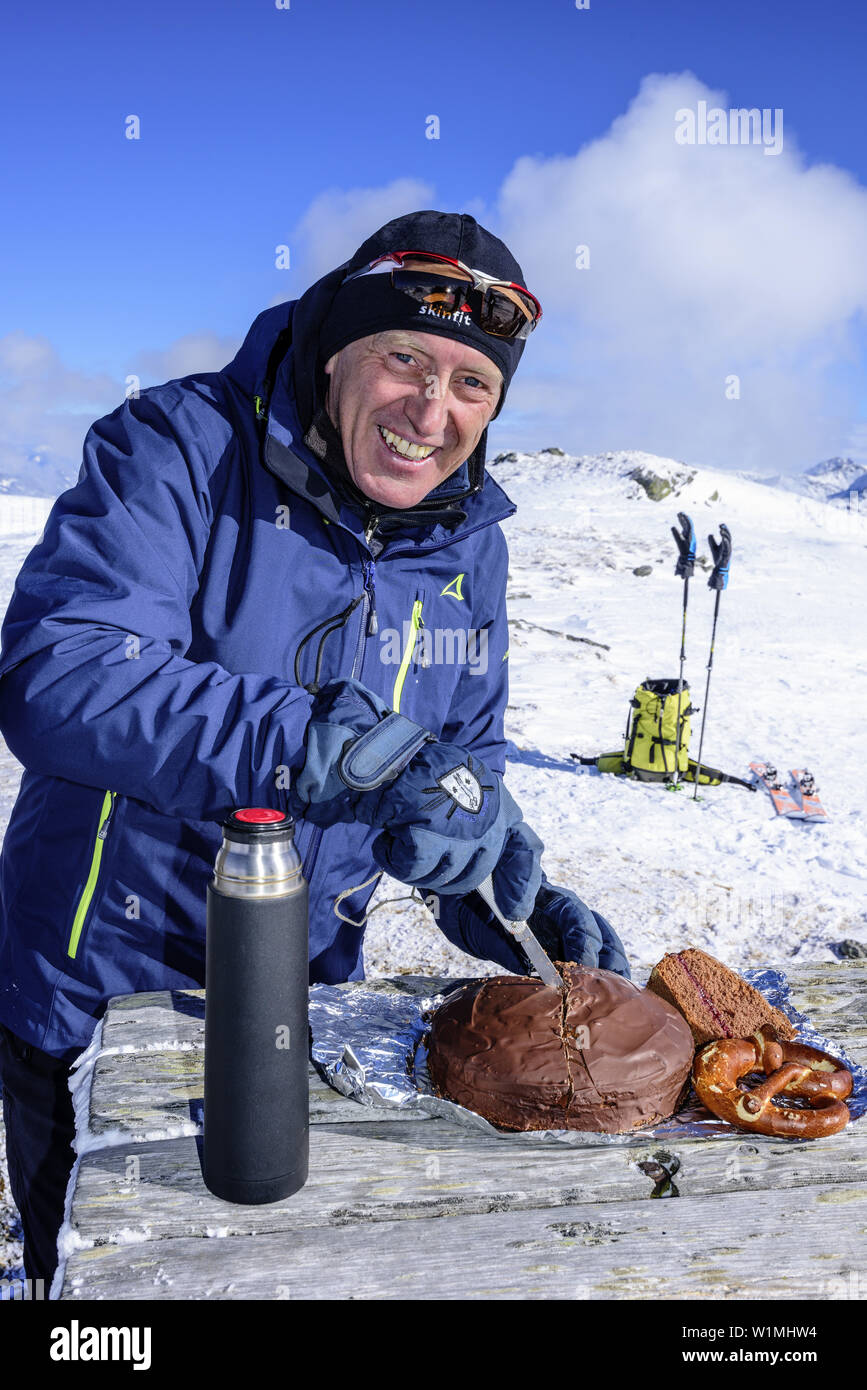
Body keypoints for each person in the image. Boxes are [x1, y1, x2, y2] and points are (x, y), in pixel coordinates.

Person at [0, 209, 629, 1285]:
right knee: (106, 1287)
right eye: (404, 360)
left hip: (300, 1006)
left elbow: (456, 760)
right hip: (95, 995)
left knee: (265, 1272)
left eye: (472, 384)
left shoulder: (468, 546)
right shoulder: (179, 446)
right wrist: (324, 747)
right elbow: (61, 674)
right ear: (337, 344)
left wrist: (488, 885)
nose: (432, 412)